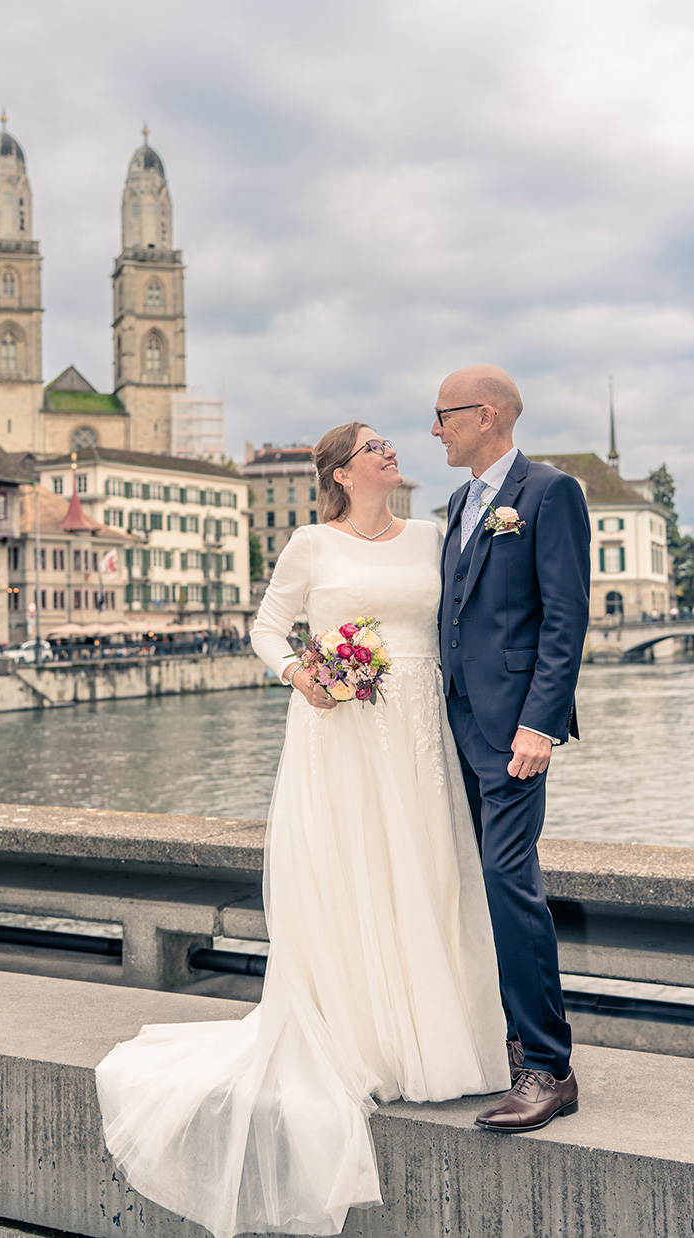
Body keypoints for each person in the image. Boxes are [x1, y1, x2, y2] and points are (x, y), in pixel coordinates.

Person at [95, 422, 509, 1238]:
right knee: (350, 871)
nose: (393, 452)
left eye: (393, 444)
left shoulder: (432, 536)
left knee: (425, 870)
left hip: (419, 726)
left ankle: (434, 1036)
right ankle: (365, 1037)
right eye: (376, 446)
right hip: (340, 727)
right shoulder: (309, 544)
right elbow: (263, 627)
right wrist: (301, 672)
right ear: (342, 471)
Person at [432, 365, 591, 1132]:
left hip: (513, 731)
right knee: (473, 878)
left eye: (443, 416)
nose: (435, 430)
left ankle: (546, 1066)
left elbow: (564, 617)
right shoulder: (461, 502)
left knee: (507, 879)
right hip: (454, 724)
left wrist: (540, 723)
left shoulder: (548, 492)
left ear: (483, 414)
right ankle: (503, 1042)